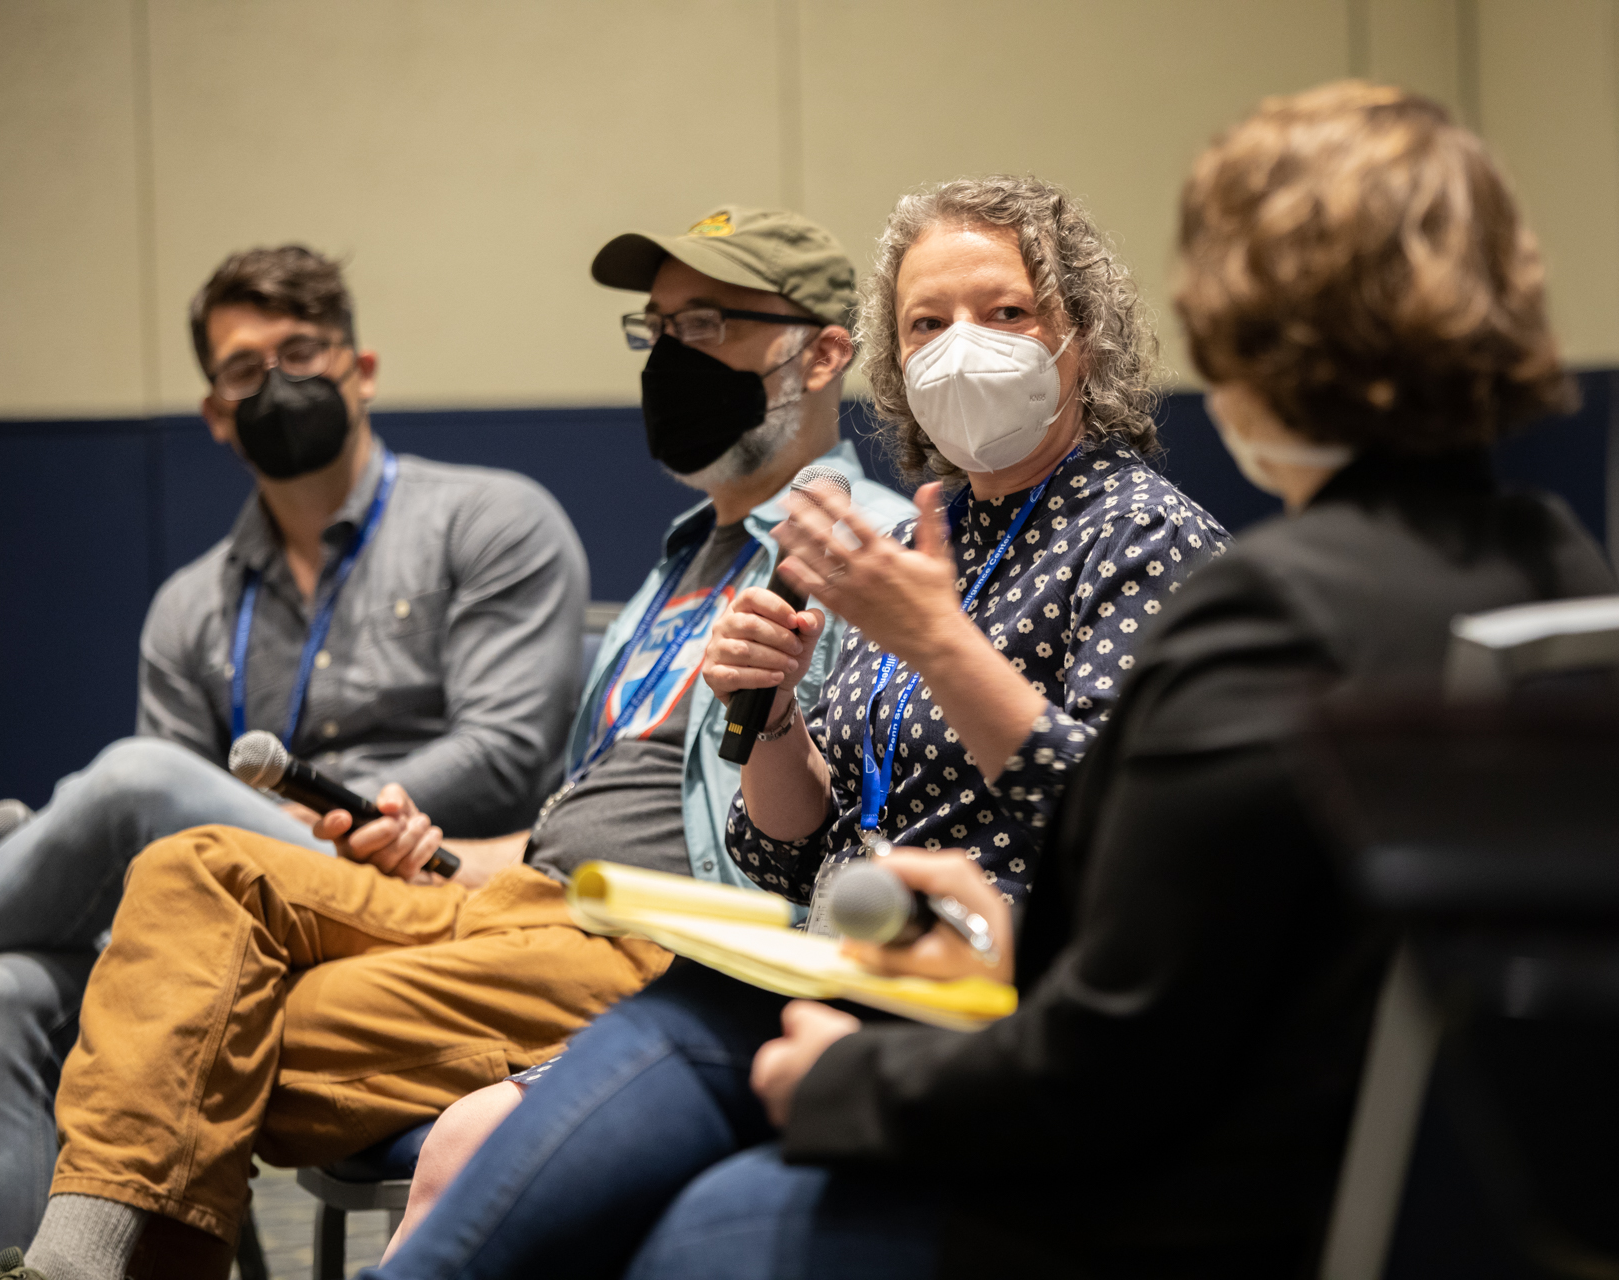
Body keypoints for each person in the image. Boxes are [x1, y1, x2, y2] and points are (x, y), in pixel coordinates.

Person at [610, 82, 1619, 1278]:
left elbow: (1112, 1059)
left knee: (702, 1229)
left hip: (1213, 1197)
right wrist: (1009, 939)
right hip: (1474, 1189)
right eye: (927, 322)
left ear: (1230, 334)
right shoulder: (1563, 568)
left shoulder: (1261, 609)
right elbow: (1262, 925)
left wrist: (847, 1085)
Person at [0, 207, 912, 1280]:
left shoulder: (860, 545)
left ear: (825, 350)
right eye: (655, 331)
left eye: (705, 325)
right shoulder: (684, 558)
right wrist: (450, 848)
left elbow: (842, 819)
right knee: (191, 866)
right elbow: (594, 811)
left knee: (188, 1030)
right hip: (519, 899)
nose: (670, 358)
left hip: (665, 947)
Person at [350, 176, 1230, 1279]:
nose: (962, 346)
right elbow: (789, 844)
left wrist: (941, 645)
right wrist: (770, 722)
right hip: (825, 959)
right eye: (926, 323)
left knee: (584, 1193)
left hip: (989, 995)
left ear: (1080, 338)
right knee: (473, 1141)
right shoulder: (925, 534)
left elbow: (1124, 830)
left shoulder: (1139, 535)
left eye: (1005, 313)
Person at [0, 245, 589, 1280]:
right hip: (220, 903)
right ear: (215, 412)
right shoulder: (191, 604)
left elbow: (507, 750)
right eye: (246, 370)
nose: (277, 384)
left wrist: (349, 809)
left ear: (361, 368)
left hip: (415, 874)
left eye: (302, 352)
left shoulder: (489, 519)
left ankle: (37, 853)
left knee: (139, 782)